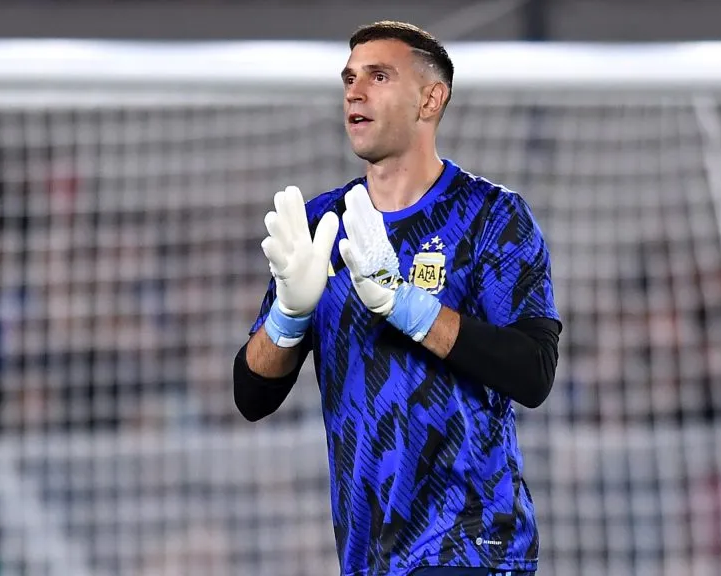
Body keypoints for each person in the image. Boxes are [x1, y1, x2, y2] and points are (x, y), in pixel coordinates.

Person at [233, 20, 562, 576]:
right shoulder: (321, 225)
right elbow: (251, 396)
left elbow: (534, 372)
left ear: (431, 99)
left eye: (378, 76)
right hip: (367, 554)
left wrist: (409, 307)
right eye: (349, 79)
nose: (354, 93)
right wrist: (288, 315)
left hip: (470, 545)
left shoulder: (492, 216)